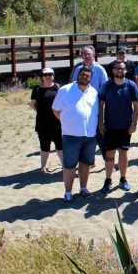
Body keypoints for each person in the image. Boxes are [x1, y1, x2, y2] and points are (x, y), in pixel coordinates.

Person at [52, 66, 99, 202]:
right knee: (69, 166)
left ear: (91, 78)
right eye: (82, 74)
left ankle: (83, 188)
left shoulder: (94, 92)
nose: (84, 77)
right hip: (71, 135)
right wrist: (67, 122)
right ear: (78, 75)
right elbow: (55, 110)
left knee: (85, 164)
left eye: (87, 76)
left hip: (90, 135)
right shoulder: (65, 90)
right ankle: (68, 192)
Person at [98, 60, 138, 193]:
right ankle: (108, 180)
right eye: (117, 68)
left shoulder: (131, 85)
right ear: (113, 70)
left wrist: (134, 124)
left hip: (125, 127)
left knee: (123, 153)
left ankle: (123, 179)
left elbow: (136, 107)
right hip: (110, 126)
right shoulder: (106, 85)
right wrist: (100, 123)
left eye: (122, 68)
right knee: (109, 154)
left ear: (125, 70)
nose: (119, 70)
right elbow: (101, 105)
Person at [29, 67, 63, 172]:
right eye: (45, 74)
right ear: (42, 77)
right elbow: (33, 104)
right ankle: (43, 167)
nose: (48, 76)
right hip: (42, 122)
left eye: (50, 74)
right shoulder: (37, 89)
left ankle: (65, 166)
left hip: (57, 122)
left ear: (53, 76)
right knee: (44, 146)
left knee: (60, 146)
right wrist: (40, 112)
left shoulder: (58, 87)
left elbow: (63, 103)